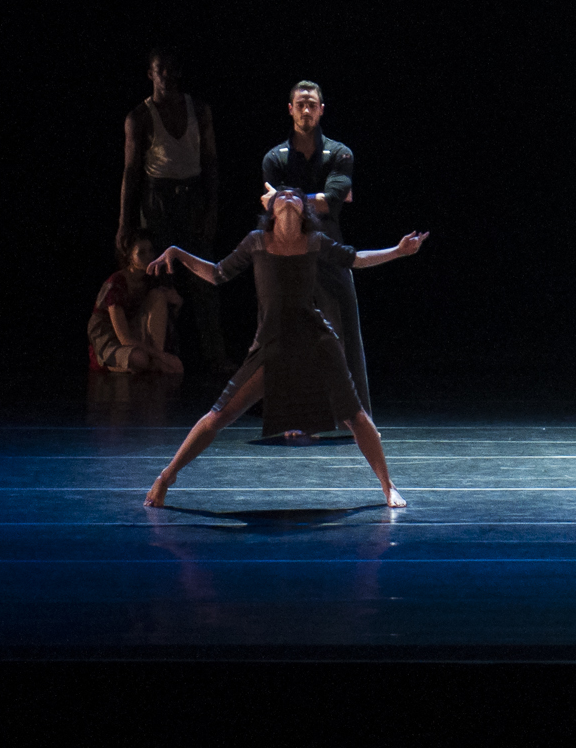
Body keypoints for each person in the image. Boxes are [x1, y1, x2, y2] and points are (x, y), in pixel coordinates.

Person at [144, 185, 426, 510]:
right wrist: (178, 253)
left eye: (295, 195)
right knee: (221, 414)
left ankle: (387, 486)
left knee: (356, 416)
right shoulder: (256, 242)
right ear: (272, 209)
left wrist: (398, 251)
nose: (290, 196)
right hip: (272, 345)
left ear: (304, 211)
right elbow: (217, 273)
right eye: (283, 195)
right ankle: (167, 476)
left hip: (317, 341)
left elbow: (355, 259)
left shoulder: (314, 242)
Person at [119, 48, 231, 371]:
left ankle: (215, 355)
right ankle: (158, 356)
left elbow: (210, 162)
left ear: (177, 72)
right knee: (157, 281)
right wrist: (124, 222)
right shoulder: (139, 117)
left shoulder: (198, 109)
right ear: (150, 74)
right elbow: (130, 172)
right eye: (159, 70)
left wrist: (211, 208)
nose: (165, 76)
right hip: (157, 201)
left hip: (191, 198)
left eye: (170, 70)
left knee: (204, 280)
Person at [260, 81, 368, 415]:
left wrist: (285, 199)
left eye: (312, 104)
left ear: (321, 109)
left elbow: (332, 201)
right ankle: (286, 415)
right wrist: (306, 201)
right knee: (280, 330)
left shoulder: (340, 153)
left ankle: (357, 416)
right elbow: (280, 211)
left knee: (345, 329)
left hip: (328, 245)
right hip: (287, 248)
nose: (306, 110)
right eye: (300, 104)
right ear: (290, 109)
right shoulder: (274, 157)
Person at [87, 230, 185, 374]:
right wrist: (164, 356)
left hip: (133, 332)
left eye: (151, 251)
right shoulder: (116, 283)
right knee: (140, 359)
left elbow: (160, 318)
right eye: (141, 253)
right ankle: (111, 364)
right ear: (130, 257)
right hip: (109, 336)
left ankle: (154, 362)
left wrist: (177, 304)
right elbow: (124, 338)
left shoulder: (149, 279)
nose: (149, 257)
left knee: (158, 296)